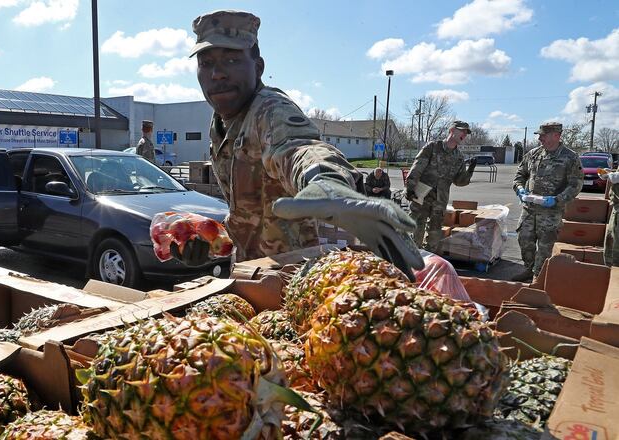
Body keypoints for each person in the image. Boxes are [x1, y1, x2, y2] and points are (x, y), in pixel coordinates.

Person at [175, 9, 422, 279]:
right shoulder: (223, 123)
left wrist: (327, 181)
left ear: (258, 68)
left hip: (293, 280)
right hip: (251, 276)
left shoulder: (269, 110)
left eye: (232, 59)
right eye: (206, 62)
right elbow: (249, 214)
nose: (217, 74)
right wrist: (210, 242)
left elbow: (299, 147)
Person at [512, 122, 583, 281]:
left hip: (551, 212)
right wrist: (519, 189)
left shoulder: (570, 157)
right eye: (540, 135)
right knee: (524, 241)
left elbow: (575, 184)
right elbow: (520, 176)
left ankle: (539, 277)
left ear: (556, 136)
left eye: (543, 135)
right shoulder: (533, 154)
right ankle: (529, 269)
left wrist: (557, 200)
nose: (540, 138)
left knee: (545, 247)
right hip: (529, 210)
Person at [404, 121, 477, 252]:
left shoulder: (459, 157)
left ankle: (428, 264)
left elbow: (459, 181)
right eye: (462, 131)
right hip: (421, 196)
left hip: (439, 201)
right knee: (416, 231)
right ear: (452, 130)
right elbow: (417, 168)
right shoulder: (432, 147)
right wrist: (410, 187)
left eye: (466, 133)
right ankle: (409, 262)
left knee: (435, 236)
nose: (464, 135)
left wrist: (470, 170)